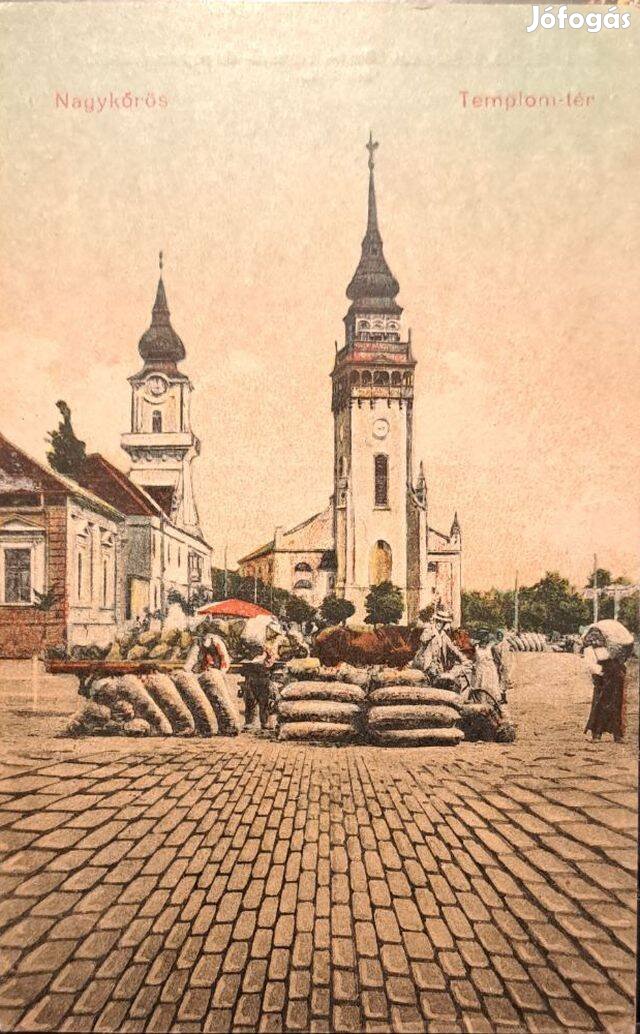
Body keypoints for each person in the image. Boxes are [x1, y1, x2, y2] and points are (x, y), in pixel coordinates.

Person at [583, 627, 627, 742]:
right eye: (593, 636)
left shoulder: (609, 649)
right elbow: (590, 665)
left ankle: (617, 734)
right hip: (602, 680)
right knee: (600, 705)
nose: (595, 639)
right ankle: (597, 733)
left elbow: (618, 661)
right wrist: (601, 672)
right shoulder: (589, 650)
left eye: (598, 636)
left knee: (615, 705)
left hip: (615, 680)